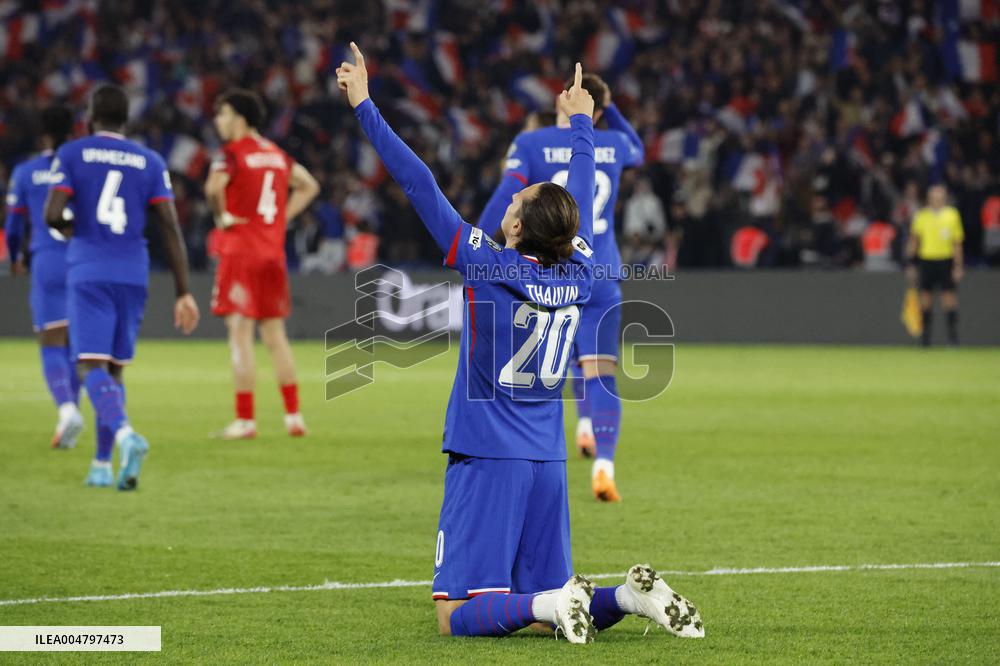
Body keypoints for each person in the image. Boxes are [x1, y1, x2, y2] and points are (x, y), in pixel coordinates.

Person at [337, 43, 702, 643]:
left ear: (514, 226)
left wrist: (365, 107)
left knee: (456, 615)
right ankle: (629, 598)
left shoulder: (487, 266)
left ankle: (552, 608)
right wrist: (582, 122)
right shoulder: (582, 270)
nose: (513, 197)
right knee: (548, 590)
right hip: (547, 460)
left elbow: (419, 182)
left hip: (487, 455)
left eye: (517, 199)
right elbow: (577, 199)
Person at [477, 73, 644, 502]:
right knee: (600, 368)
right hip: (600, 269)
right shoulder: (614, 144)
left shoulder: (531, 144)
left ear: (559, 98)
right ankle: (603, 461)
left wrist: (481, 246)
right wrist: (607, 109)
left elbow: (502, 202)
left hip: (549, 270)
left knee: (555, 357)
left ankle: (545, 447)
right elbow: (639, 151)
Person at [44, 84, 199, 489]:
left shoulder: (73, 153)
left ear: (91, 116)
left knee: (89, 365)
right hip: (134, 271)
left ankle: (127, 437)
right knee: (114, 370)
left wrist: (71, 228)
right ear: (126, 120)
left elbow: (52, 214)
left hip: (90, 270)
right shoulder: (149, 160)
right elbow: (169, 226)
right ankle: (101, 464)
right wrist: (184, 290)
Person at [204, 89, 320, 440]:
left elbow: (212, 188)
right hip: (272, 254)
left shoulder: (231, 154)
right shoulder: (275, 154)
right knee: (275, 336)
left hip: (240, 252)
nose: (218, 121)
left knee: (240, 335)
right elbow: (309, 185)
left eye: (223, 114)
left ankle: (245, 421)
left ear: (239, 119)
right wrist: (280, 220)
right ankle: (294, 417)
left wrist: (221, 215)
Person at [5, 105, 84, 449]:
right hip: (82, 260)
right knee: (77, 344)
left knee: (51, 340)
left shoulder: (25, 172)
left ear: (42, 135)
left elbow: (13, 225)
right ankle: (72, 415)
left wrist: (17, 256)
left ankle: (67, 411)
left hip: (47, 260)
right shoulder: (81, 167)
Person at [906, 184, 964, 347]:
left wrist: (958, 266)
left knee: (949, 299)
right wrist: (910, 263)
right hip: (927, 261)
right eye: (934, 196)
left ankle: (953, 338)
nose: (937, 199)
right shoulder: (921, 216)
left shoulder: (952, 215)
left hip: (946, 260)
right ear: (929, 198)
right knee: (925, 300)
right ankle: (926, 339)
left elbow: (957, 243)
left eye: (940, 196)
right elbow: (914, 241)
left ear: (944, 198)